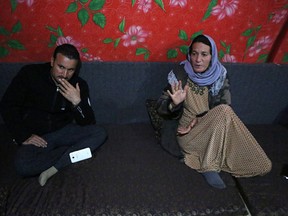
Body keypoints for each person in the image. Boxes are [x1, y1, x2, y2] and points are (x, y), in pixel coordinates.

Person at [156, 34, 272, 189]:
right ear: (189, 54)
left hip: (211, 130)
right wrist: (174, 104)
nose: (198, 60)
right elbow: (161, 108)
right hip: (187, 134)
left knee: (262, 165)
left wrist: (199, 119)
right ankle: (208, 165)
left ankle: (213, 156)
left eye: (204, 54)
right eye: (194, 54)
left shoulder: (220, 75)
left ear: (212, 56)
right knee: (224, 111)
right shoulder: (180, 74)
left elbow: (224, 107)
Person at [0, 44, 107, 186]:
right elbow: (8, 105)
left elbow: (88, 122)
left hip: (64, 131)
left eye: (70, 70)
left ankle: (55, 168)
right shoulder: (30, 74)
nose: (64, 74)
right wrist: (23, 136)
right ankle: (72, 153)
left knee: (99, 133)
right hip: (38, 136)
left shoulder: (78, 84)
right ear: (52, 61)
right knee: (23, 166)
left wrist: (77, 102)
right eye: (61, 67)